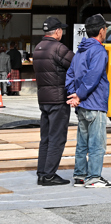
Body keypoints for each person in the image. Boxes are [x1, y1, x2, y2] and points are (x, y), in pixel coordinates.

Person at [66, 14, 111, 188]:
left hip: (82, 106)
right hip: (95, 103)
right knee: (97, 144)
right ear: (101, 31)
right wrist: (79, 95)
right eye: (105, 28)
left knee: (82, 143)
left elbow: (70, 74)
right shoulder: (99, 51)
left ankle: (80, 175)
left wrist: (74, 95)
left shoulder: (80, 51)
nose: (106, 31)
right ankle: (94, 178)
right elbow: (93, 77)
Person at [34, 17, 74, 186]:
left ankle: (42, 173)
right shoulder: (58, 48)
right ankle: (49, 175)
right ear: (57, 31)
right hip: (58, 99)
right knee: (57, 138)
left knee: (46, 138)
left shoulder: (38, 48)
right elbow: (75, 63)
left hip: (44, 99)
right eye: (61, 30)